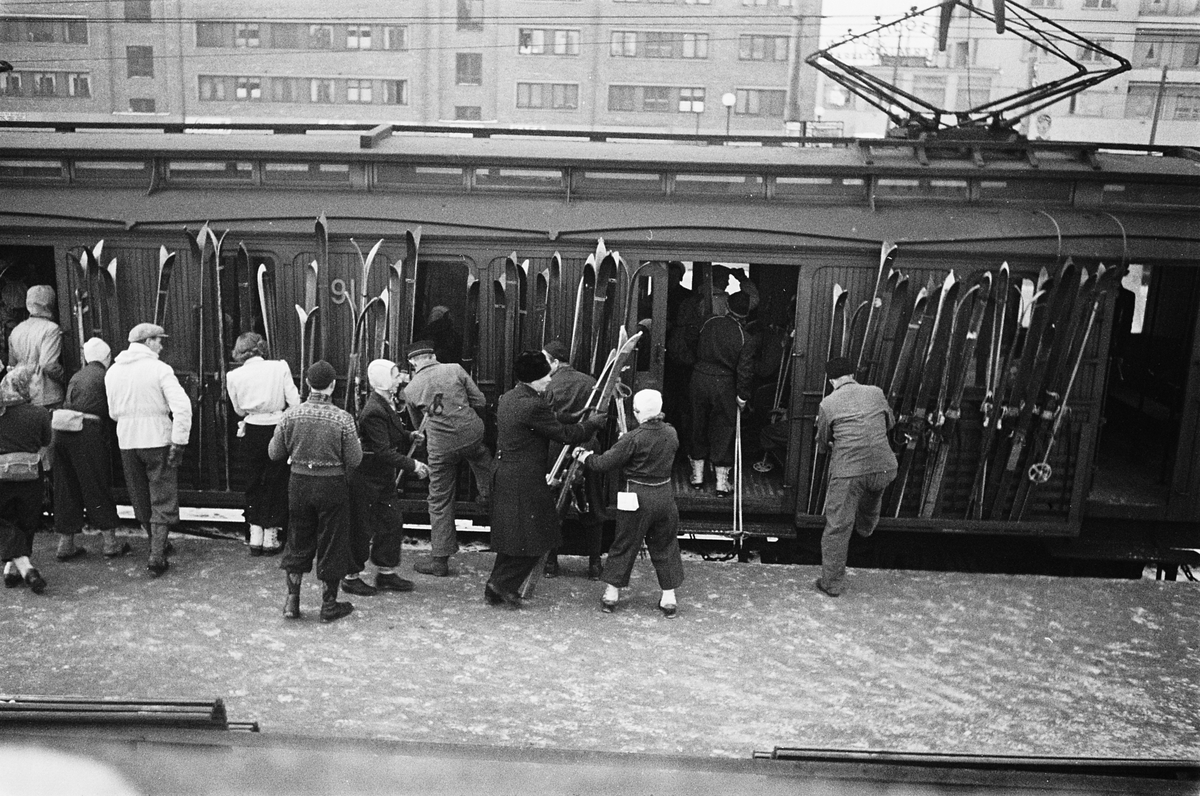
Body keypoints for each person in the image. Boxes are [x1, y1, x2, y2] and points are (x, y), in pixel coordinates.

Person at [485, 351, 604, 608]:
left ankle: (495, 587)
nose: (549, 380)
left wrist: (576, 415)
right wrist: (592, 424)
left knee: (512, 537)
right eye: (545, 376)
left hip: (505, 473)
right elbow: (564, 434)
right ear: (534, 379)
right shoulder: (533, 405)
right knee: (542, 534)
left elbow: (547, 420)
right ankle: (501, 585)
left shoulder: (510, 397)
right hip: (524, 478)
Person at [574, 389, 684, 617]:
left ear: (636, 412)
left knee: (624, 545)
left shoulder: (633, 439)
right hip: (664, 496)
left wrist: (584, 456)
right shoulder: (671, 433)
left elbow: (604, 463)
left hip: (635, 498)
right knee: (665, 546)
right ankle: (669, 599)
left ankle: (611, 595)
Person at [268, 361, 362, 622]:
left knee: (297, 539)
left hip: (299, 484)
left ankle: (292, 602)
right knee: (332, 542)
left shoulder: (291, 415)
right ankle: (328, 606)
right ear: (332, 385)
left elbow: (274, 453)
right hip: (332, 487)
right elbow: (355, 460)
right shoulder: (343, 418)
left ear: (307, 384)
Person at [105, 323, 192, 577]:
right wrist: (179, 441)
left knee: (139, 496)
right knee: (162, 495)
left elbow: (112, 413)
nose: (162, 345)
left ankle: (158, 544)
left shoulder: (112, 372)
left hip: (127, 441)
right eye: (159, 340)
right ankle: (156, 554)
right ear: (148, 342)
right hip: (158, 439)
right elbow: (183, 408)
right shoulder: (159, 369)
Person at [402, 340, 493, 577]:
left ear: (412, 362)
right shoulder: (455, 369)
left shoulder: (410, 389)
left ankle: (440, 561)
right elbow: (481, 401)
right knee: (482, 457)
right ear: (433, 355)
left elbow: (417, 426)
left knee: (440, 500)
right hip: (472, 435)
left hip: (441, 449)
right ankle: (487, 494)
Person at [341, 359, 430, 597]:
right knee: (361, 527)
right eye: (394, 375)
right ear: (382, 380)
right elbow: (382, 450)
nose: (400, 378)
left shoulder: (386, 403)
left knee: (391, 523)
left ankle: (386, 573)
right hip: (366, 478)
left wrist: (410, 436)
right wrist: (413, 465)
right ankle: (350, 577)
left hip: (381, 478)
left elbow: (390, 435)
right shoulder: (373, 410)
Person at [814, 356, 898, 597]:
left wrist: (832, 440)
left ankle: (831, 584)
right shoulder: (875, 392)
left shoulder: (828, 404)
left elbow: (822, 443)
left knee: (838, 527)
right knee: (873, 490)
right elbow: (889, 424)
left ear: (831, 380)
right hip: (885, 467)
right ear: (852, 375)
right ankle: (867, 527)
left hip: (850, 472)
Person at [52, 337, 128, 561]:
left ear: (86, 357)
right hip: (87, 432)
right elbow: (112, 410)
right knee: (96, 484)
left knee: (67, 487)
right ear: (107, 357)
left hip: (63, 431)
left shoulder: (77, 375)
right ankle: (110, 542)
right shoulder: (105, 375)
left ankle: (65, 545)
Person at [226, 332, 300, 557]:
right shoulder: (279, 368)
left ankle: (255, 534)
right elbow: (295, 402)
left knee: (253, 481)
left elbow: (239, 409)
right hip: (277, 428)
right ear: (261, 348)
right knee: (276, 480)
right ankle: (271, 535)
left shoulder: (233, 376)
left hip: (251, 430)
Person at [541, 339, 603, 581]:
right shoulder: (591, 382)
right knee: (593, 503)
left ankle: (550, 563)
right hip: (587, 448)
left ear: (555, 362)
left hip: (556, 449)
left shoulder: (546, 385)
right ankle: (595, 566)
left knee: (554, 504)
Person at [689, 290, 757, 496]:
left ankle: (697, 477)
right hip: (725, 384)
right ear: (747, 313)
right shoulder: (746, 338)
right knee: (724, 427)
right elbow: (745, 371)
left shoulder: (708, 322)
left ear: (727, 306)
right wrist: (742, 396)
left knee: (697, 423)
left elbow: (692, 343)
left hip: (699, 377)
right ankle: (721, 483)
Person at [0, 366, 51, 594]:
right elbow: (45, 441)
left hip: (1, 475)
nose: (38, 387)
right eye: (34, 383)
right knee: (26, 519)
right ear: (23, 386)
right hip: (30, 475)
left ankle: (14, 567)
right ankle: (24, 568)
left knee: (6, 520)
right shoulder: (39, 413)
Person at [8, 284, 64, 410]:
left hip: (23, 395)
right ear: (50, 303)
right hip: (47, 395)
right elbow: (48, 364)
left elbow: (11, 365)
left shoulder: (16, 330)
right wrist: (66, 378)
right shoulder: (51, 329)